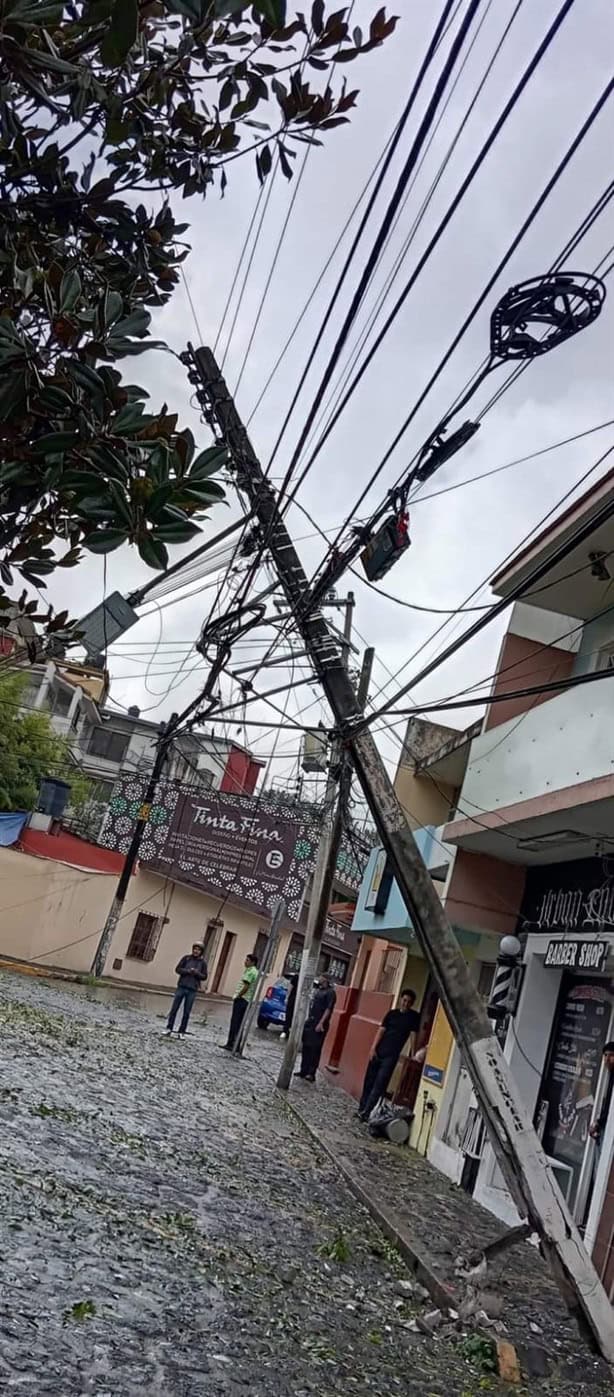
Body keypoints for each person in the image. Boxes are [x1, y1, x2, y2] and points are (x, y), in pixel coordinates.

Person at [357, 988, 420, 1122]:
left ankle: (367, 1112)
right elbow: (381, 1030)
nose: (406, 1003)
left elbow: (413, 1035)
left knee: (380, 1083)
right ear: (400, 1000)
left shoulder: (413, 1017)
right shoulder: (391, 1014)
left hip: (391, 1055)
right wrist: (373, 1048)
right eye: (404, 1000)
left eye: (409, 1001)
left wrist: (414, 1054)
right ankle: (361, 1108)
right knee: (369, 1080)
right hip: (379, 1050)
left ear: (412, 1003)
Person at [296, 974, 336, 1082]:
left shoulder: (330, 992)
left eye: (321, 977)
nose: (319, 979)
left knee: (315, 1048)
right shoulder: (319, 990)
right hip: (311, 1020)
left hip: (319, 1023)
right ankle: (303, 1070)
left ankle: (311, 1073)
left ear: (326, 979)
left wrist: (321, 1023)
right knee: (307, 1046)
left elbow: (328, 1009)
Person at [163, 943, 208, 1040]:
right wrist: (187, 971)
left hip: (192, 989)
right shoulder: (186, 958)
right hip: (182, 986)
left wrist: (197, 973)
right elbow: (178, 969)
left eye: (198, 950)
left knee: (186, 1012)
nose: (196, 951)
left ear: (201, 952)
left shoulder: (202, 963)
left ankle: (181, 1031)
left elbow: (204, 976)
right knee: (174, 1008)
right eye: (195, 949)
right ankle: (169, 1028)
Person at [222, 953, 259, 1051]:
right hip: (246, 1000)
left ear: (252, 962)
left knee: (236, 1022)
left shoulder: (251, 972)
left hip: (243, 999)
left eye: (247, 960)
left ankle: (232, 1043)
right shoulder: (252, 971)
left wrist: (238, 996)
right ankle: (235, 1043)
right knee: (239, 1023)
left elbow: (246, 986)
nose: (245, 962)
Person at [589, 1041, 614, 1146]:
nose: (607, 1059)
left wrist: (599, 1122)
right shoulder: (608, 1076)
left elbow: (610, 1105)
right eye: (605, 1055)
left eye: (612, 1055)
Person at [280, 972, 298, 1042]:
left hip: (299, 1002)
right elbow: (290, 987)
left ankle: (293, 1032)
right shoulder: (296, 977)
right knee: (289, 1015)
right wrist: (287, 997)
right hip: (292, 999)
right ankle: (285, 1031)